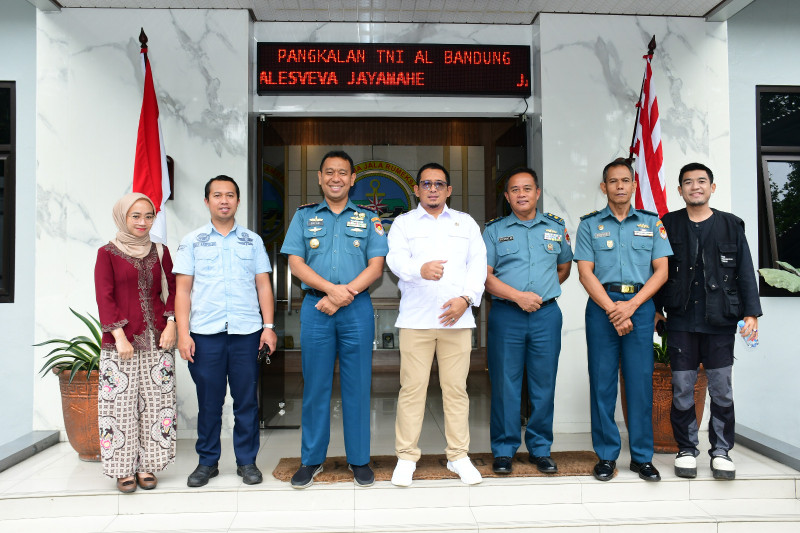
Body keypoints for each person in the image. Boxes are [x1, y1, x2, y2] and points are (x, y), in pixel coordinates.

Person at [281, 150, 388, 489]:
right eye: (329, 172)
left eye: (342, 172)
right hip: (317, 308)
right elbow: (295, 263)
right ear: (320, 177)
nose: (336, 178)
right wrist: (330, 291)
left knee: (358, 385)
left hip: (356, 309)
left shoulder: (369, 219)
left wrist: (344, 295)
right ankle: (312, 460)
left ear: (353, 179)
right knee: (315, 387)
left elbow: (376, 267)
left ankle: (359, 460)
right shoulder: (304, 216)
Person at [654, 162, 762, 480]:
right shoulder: (668, 224)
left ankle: (721, 452)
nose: (695, 187)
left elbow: (745, 271)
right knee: (682, 388)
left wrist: (751, 313)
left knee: (721, 390)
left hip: (720, 323)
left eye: (701, 181)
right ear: (680, 190)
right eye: (688, 182)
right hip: (681, 322)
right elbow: (657, 269)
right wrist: (656, 310)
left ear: (712, 188)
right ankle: (686, 449)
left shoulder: (731, 225)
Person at [387, 162, 487, 487]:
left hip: (457, 321)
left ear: (448, 190)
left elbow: (478, 264)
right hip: (416, 320)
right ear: (416, 189)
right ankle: (406, 458)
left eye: (439, 184)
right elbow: (395, 259)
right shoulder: (403, 223)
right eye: (426, 184)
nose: (433, 189)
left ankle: (458, 456)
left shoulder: (465, 223)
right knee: (411, 390)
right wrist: (419, 269)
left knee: (456, 390)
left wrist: (466, 299)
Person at [173, 175, 277, 488]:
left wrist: (269, 327)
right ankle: (207, 462)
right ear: (207, 201)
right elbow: (182, 291)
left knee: (246, 402)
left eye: (230, 195)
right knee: (209, 402)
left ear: (238, 201)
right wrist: (183, 334)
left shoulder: (252, 241)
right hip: (205, 335)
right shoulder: (192, 241)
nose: (224, 200)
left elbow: (263, 285)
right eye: (217, 195)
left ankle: (247, 462)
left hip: (247, 333)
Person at [574, 158, 672, 482]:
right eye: (613, 181)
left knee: (640, 383)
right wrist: (613, 309)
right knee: (602, 383)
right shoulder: (589, 225)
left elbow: (662, 271)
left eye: (625, 180)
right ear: (604, 187)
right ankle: (606, 456)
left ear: (633, 185)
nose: (619, 186)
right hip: (602, 307)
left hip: (639, 307)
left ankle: (642, 458)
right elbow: (585, 273)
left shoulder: (651, 223)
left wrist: (631, 306)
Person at [482, 168, 573, 475]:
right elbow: (485, 277)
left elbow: (563, 268)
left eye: (527, 188)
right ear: (507, 197)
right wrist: (519, 296)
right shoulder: (493, 231)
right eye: (514, 190)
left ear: (537, 193)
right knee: (505, 385)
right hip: (507, 316)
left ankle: (540, 448)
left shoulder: (555, 228)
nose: (521, 194)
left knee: (543, 384)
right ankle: (504, 449)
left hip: (546, 316)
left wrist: (541, 296)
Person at [94, 192, 177, 493]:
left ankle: (147, 465)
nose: (143, 222)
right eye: (136, 216)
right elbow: (104, 296)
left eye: (149, 216)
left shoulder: (160, 250)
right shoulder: (107, 253)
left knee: (158, 405)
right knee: (119, 408)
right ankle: (122, 469)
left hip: (159, 340)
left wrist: (171, 323)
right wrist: (118, 336)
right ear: (123, 217)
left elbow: (174, 289)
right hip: (121, 343)